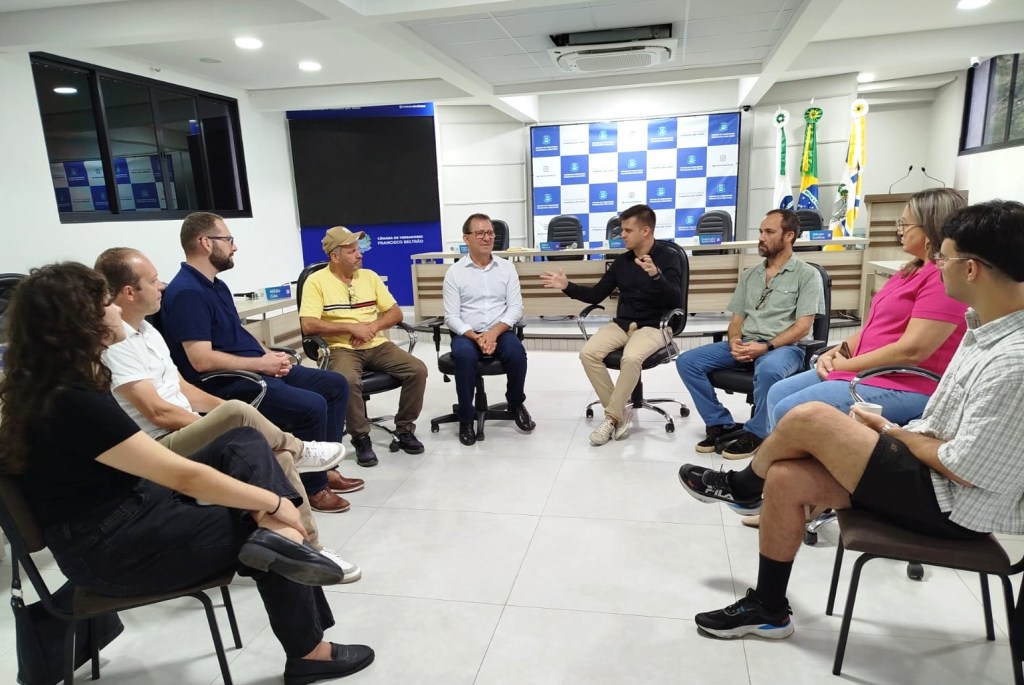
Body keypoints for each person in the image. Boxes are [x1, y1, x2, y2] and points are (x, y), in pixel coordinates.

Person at [0, 263, 375, 683]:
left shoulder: (52, 386)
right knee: (266, 536)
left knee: (244, 441)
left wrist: (268, 507)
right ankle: (310, 650)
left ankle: (287, 540)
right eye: (106, 305)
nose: (115, 312)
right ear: (80, 322)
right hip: (112, 549)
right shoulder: (72, 402)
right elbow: (183, 477)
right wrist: (271, 503)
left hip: (124, 519)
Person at [677, 200, 1024, 641]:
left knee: (811, 417)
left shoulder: (1013, 359)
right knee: (784, 477)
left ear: (971, 269)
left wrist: (893, 434)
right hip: (935, 479)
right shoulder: (984, 332)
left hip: (953, 507)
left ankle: (744, 487)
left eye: (946, 258)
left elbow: (966, 467)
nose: (939, 266)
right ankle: (768, 608)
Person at [95, 247, 363, 581]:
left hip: (185, 429)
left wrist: (226, 420)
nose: (161, 285)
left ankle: (309, 549)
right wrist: (220, 424)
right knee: (240, 414)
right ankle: (302, 449)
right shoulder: (117, 344)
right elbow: (158, 411)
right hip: (158, 448)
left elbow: (182, 389)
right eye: (153, 280)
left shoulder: (148, 331)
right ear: (129, 292)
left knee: (272, 451)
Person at [160, 212, 352, 513]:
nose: (234, 247)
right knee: (312, 405)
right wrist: (261, 365)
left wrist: (268, 355)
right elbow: (200, 360)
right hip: (228, 380)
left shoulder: (216, 285)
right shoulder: (187, 293)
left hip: (254, 367)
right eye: (229, 240)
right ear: (205, 243)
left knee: (335, 384)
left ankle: (325, 469)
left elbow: (237, 334)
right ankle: (314, 488)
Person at [765, 188, 968, 430]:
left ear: (929, 228)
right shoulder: (909, 271)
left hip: (905, 384)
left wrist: (846, 365)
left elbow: (913, 351)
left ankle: (786, 465)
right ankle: (776, 464)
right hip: (870, 373)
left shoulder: (941, 278)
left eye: (904, 224)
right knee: (777, 393)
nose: (899, 230)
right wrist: (833, 353)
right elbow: (874, 329)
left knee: (789, 410)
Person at [675, 209, 825, 459]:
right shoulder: (750, 275)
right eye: (760, 232)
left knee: (769, 370)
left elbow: (803, 327)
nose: (761, 238)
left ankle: (757, 432)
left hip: (783, 348)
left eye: (769, 232)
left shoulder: (807, 275)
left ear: (789, 236)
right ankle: (720, 422)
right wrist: (734, 340)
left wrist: (766, 347)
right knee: (687, 362)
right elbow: (736, 320)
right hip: (746, 342)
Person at [539, 204, 682, 445]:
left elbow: (675, 299)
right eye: (622, 230)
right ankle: (618, 415)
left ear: (645, 231)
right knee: (588, 353)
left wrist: (657, 275)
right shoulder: (622, 262)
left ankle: (610, 419)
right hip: (623, 323)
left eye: (627, 230)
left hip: (655, 325)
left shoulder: (669, 258)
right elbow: (596, 294)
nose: (622, 235)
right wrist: (567, 286)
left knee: (630, 358)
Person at [298, 226, 428, 467]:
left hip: (375, 343)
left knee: (417, 370)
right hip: (339, 348)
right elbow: (308, 324)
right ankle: (361, 437)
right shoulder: (316, 282)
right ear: (334, 256)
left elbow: (395, 312)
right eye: (351, 251)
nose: (359, 255)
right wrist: (351, 328)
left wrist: (371, 327)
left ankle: (405, 428)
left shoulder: (369, 276)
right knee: (345, 381)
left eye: (358, 250)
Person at [442, 213, 535, 446]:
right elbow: (451, 316)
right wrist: (474, 335)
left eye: (490, 233)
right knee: (463, 356)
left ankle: (515, 402)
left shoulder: (506, 268)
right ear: (467, 238)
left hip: (500, 330)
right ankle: (466, 417)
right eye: (480, 233)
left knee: (516, 353)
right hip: (467, 333)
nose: (487, 238)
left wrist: (493, 333)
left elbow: (516, 308)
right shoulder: (454, 272)